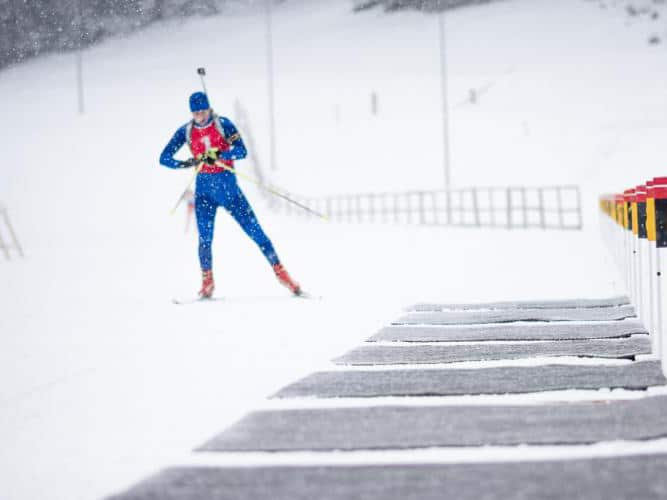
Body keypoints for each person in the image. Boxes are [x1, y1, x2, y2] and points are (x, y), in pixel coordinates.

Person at [159, 91, 301, 298]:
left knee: (257, 233)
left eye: (203, 111)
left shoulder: (223, 124)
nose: (200, 116)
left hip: (229, 192)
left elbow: (241, 150)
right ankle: (207, 282)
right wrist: (186, 163)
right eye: (196, 112)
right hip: (204, 194)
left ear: (209, 108)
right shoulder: (186, 131)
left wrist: (220, 154)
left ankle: (282, 273)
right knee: (205, 239)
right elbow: (164, 158)